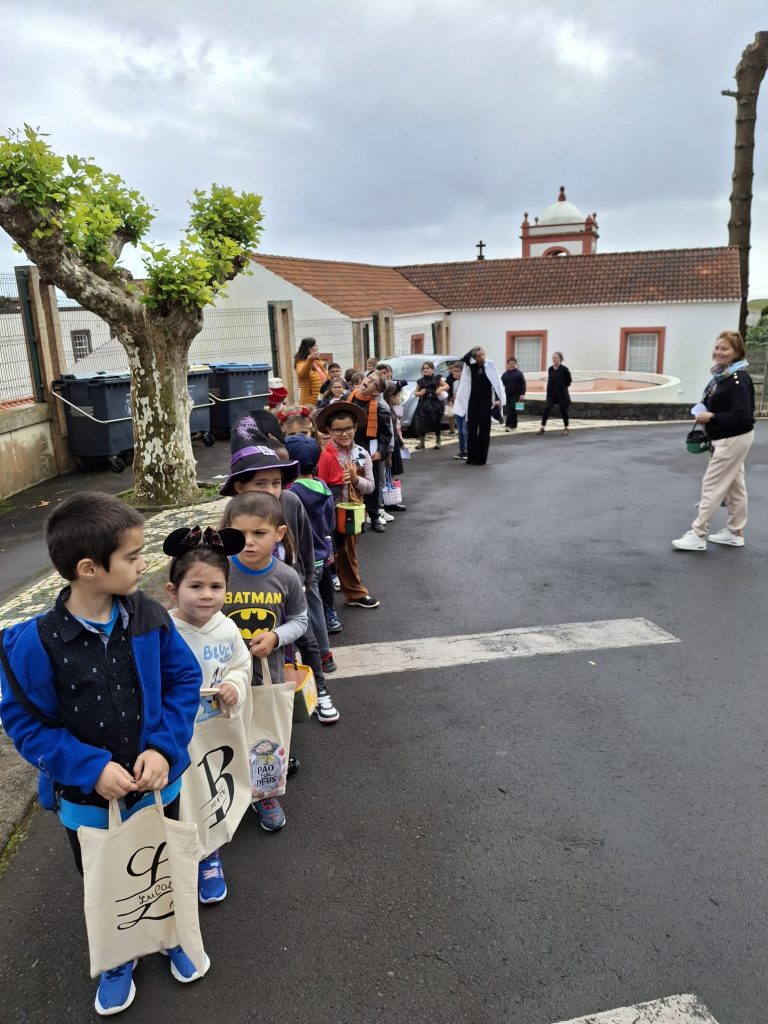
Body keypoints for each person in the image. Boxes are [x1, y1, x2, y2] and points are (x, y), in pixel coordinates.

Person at [0, 492, 205, 1016]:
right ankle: (119, 954)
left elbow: (184, 680)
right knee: (105, 878)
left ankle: (173, 933)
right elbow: (26, 724)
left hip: (159, 786)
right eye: (132, 557)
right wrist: (88, 768)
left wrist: (164, 748)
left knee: (164, 863)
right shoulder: (34, 644)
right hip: (86, 801)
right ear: (89, 568)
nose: (143, 564)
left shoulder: (147, 616)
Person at [219, 421, 341, 721]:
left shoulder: (290, 501)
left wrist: (307, 580)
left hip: (292, 587)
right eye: (261, 484)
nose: (271, 490)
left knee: (308, 641)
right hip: (250, 599)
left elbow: (304, 543)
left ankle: (319, 690)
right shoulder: (234, 515)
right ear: (240, 487)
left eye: (276, 482)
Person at [164, 525, 252, 905]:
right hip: (177, 733)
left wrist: (234, 683)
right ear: (173, 590)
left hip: (214, 730)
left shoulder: (227, 629)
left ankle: (209, 855)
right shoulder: (163, 631)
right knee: (180, 797)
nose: (206, 595)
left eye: (216, 587)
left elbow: (241, 664)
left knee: (210, 794)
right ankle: (178, 857)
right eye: (196, 586)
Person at [218, 493, 310, 831]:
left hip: (266, 674)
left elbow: (300, 620)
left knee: (264, 735)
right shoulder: (219, 570)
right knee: (227, 732)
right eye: (240, 534)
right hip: (222, 676)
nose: (249, 542)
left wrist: (276, 637)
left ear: (279, 533)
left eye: (259, 533)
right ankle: (225, 789)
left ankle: (264, 793)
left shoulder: (286, 577)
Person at [672, 330, 756, 551]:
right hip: (730, 437)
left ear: (736, 352)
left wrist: (712, 417)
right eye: (717, 347)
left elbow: (743, 416)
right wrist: (705, 412)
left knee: (713, 485)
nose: (719, 352)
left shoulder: (737, 379)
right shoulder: (724, 376)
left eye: (725, 348)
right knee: (735, 487)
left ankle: (698, 534)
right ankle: (735, 532)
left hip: (732, 439)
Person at [315, 401, 380, 609]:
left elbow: (370, 487)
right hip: (328, 511)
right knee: (331, 553)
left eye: (348, 428)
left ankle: (351, 590)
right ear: (329, 431)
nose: (344, 434)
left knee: (347, 552)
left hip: (352, 513)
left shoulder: (362, 453)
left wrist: (354, 479)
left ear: (355, 427)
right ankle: (350, 591)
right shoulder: (323, 454)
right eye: (338, 430)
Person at [284, 433, 344, 634]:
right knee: (321, 594)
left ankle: (319, 645)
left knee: (310, 605)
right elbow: (331, 524)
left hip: (304, 559)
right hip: (321, 554)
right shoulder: (323, 487)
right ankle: (330, 619)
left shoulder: (291, 494)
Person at [349, 372, 393, 533]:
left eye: (372, 381)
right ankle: (351, 519)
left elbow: (386, 434)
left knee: (370, 485)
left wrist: (381, 451)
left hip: (367, 450)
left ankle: (374, 517)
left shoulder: (380, 407)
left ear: (376, 391)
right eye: (368, 377)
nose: (367, 380)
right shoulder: (348, 398)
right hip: (347, 447)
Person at [453, 346, 504, 466]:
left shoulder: (490, 366)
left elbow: (496, 383)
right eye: (478, 356)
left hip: (486, 403)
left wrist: (497, 399)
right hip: (473, 402)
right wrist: (474, 350)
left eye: (483, 355)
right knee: (471, 429)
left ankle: (481, 459)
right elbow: (464, 358)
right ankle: (472, 457)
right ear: (475, 357)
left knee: (484, 430)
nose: (481, 357)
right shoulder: (472, 366)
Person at [413, 360, 448, 450]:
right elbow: (415, 393)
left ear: (432, 369)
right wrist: (420, 393)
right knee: (421, 422)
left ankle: (438, 442)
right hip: (424, 403)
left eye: (428, 368)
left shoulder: (437, 378)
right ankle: (422, 443)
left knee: (436, 422)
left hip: (435, 403)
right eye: (424, 368)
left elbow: (447, 386)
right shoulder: (420, 381)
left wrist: (440, 389)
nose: (425, 370)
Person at [537, 351, 572, 435]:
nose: (554, 359)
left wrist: (562, 387)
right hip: (551, 394)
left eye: (556, 358)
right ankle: (542, 427)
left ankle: (566, 427)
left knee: (563, 410)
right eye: (553, 358)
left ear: (560, 359)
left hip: (561, 394)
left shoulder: (564, 369)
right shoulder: (550, 369)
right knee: (547, 408)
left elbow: (569, 381)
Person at [294, 337, 328, 406]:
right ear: (309, 348)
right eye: (315, 346)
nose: (317, 348)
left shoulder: (317, 362)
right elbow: (302, 375)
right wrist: (310, 359)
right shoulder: (300, 363)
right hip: (309, 403)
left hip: (321, 400)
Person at [445, 362, 468, 460]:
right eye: (453, 371)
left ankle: (468, 451)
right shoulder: (455, 383)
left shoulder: (468, 383)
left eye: (457, 371)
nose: (454, 373)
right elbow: (455, 395)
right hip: (458, 409)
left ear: (463, 372)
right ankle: (462, 451)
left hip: (466, 410)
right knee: (460, 432)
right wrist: (452, 400)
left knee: (465, 431)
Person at [501, 356, 527, 430]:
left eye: (513, 363)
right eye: (510, 363)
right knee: (512, 409)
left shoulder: (519, 373)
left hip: (516, 394)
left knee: (512, 408)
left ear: (515, 364)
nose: (512, 365)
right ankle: (514, 424)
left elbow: (523, 384)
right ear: (508, 364)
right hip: (507, 394)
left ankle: (508, 425)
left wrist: (522, 394)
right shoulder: (505, 374)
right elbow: (500, 383)